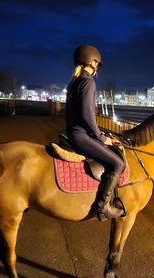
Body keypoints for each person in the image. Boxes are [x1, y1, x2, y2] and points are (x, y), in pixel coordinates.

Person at [65, 45, 125, 221]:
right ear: (92, 61)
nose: (97, 67)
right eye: (97, 63)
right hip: (81, 137)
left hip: (74, 133)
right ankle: (103, 206)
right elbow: (87, 116)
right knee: (117, 164)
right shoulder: (88, 81)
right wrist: (101, 138)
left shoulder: (74, 81)